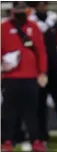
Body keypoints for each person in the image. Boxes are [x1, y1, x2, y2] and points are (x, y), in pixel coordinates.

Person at [1, 2, 47, 151]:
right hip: (10, 77)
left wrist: (42, 72)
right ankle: (6, 141)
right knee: (9, 111)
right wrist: (4, 62)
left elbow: (41, 51)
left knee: (31, 111)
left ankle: (36, 141)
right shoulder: (4, 27)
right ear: (13, 10)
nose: (21, 12)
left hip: (31, 76)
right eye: (18, 9)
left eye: (23, 9)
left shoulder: (33, 27)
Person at [28, 1, 57, 147]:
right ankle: (41, 138)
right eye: (40, 4)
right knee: (39, 106)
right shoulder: (30, 23)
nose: (43, 6)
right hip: (39, 69)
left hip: (55, 68)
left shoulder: (55, 21)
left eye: (44, 3)